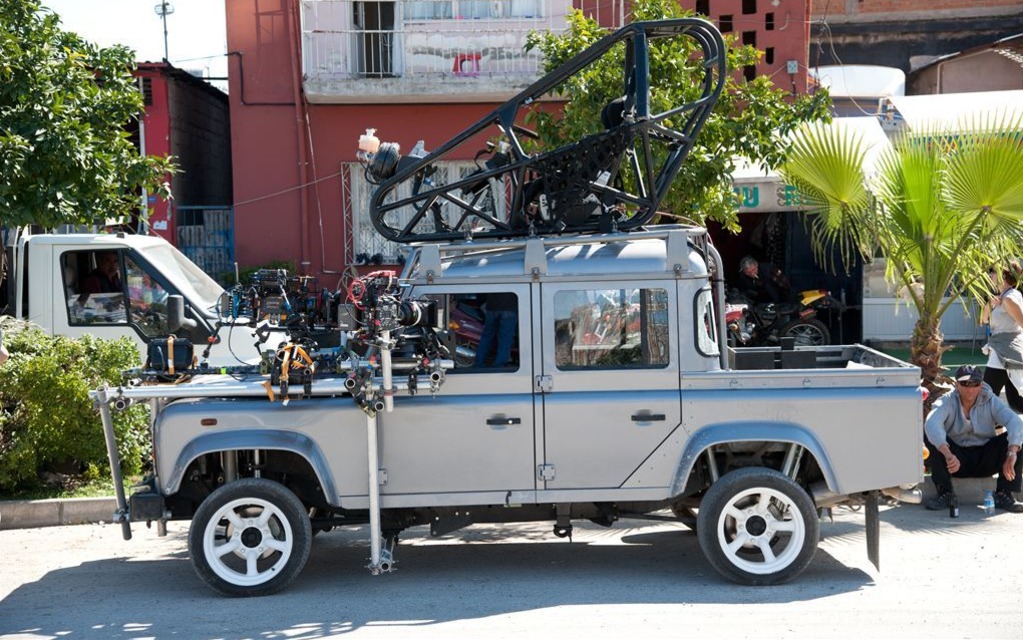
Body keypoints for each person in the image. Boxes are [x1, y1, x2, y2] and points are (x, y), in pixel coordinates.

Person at [924, 365, 1023, 513]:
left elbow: (1014, 421)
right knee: (928, 435)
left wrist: (1012, 452)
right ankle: (944, 493)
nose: (970, 389)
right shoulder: (947, 400)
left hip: (985, 459)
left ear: (981, 385)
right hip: (954, 461)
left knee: (1017, 439)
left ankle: (1004, 494)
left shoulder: (990, 400)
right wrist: (948, 453)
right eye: (965, 384)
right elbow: (931, 423)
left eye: (975, 384)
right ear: (957, 385)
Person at [979, 260, 1023, 413]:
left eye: (993, 271)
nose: (990, 274)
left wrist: (1002, 301)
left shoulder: (1010, 298)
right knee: (1014, 400)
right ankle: (994, 429)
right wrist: (990, 304)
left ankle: (990, 430)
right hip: (1000, 350)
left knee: (987, 394)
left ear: (1003, 275)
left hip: (1007, 351)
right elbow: (984, 320)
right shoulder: (1001, 297)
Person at [474, 292, 517, 368]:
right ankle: (500, 364)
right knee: (505, 338)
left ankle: (479, 362)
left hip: (491, 307)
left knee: (487, 337)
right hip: (509, 307)